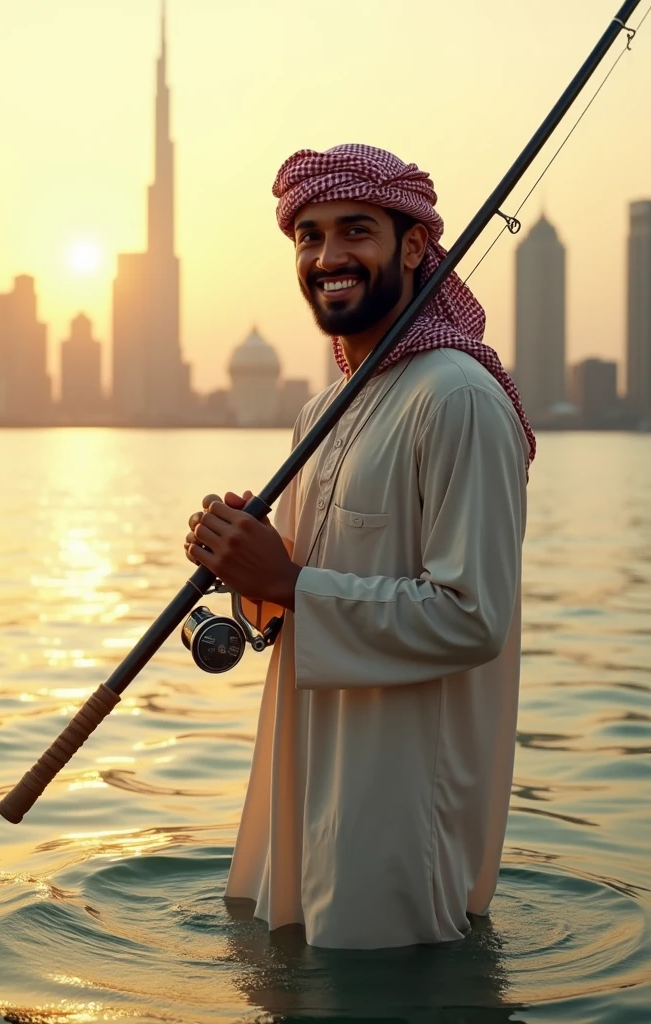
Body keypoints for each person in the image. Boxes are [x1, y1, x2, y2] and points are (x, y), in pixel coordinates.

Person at [183, 144, 534, 950]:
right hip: (305, 783)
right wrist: (249, 570)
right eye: (308, 235)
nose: (327, 256)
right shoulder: (321, 413)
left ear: (413, 247)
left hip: (403, 805)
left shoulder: (460, 399)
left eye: (355, 231)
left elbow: (472, 618)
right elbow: (290, 605)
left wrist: (292, 580)